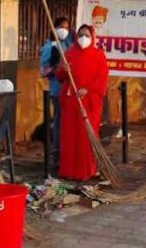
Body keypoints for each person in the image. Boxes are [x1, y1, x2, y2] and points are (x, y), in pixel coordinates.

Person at [56, 24, 109, 181]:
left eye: (86, 35)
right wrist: (63, 69)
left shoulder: (98, 55)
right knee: (70, 137)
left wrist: (88, 89)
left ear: (92, 37)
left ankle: (87, 170)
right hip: (71, 102)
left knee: (86, 138)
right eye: (80, 35)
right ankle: (68, 171)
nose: (83, 38)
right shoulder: (69, 53)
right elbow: (59, 76)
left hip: (89, 104)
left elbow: (102, 78)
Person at [40, 17, 72, 170]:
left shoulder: (66, 44)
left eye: (66, 27)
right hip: (56, 90)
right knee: (58, 122)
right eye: (60, 26)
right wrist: (59, 69)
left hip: (68, 91)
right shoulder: (50, 47)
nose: (63, 29)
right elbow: (44, 71)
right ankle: (56, 153)